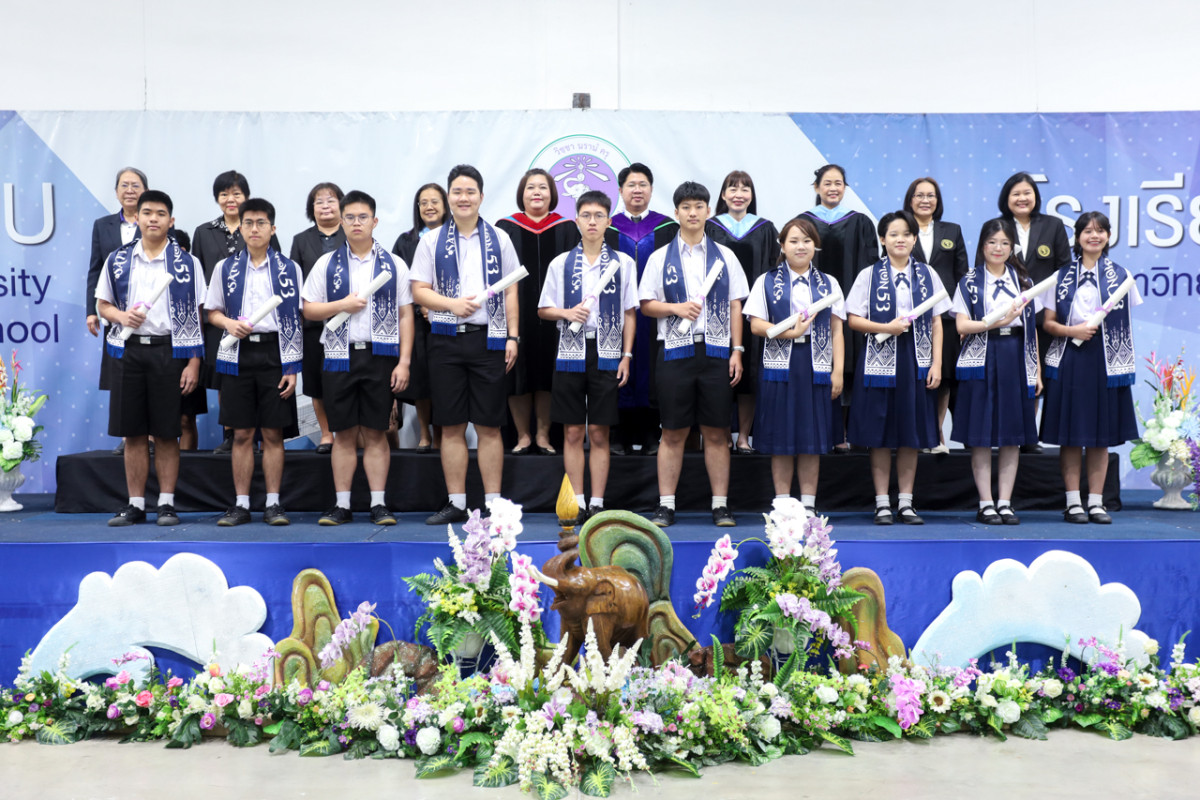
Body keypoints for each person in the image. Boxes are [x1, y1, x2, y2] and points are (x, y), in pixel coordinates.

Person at [411, 165, 521, 525]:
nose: (463, 198)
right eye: (457, 192)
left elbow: (511, 289)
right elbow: (419, 290)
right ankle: (456, 502)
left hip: (489, 339)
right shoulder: (431, 240)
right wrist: (452, 305)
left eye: (470, 191)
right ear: (449, 197)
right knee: (451, 425)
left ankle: (493, 503)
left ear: (481, 197)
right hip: (445, 341)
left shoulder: (500, 238)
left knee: (489, 426)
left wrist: (513, 336)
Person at [639, 181, 749, 527]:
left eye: (699, 206)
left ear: (708, 211)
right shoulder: (660, 257)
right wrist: (675, 308)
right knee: (673, 431)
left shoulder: (725, 256)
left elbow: (735, 305)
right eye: (686, 207)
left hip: (716, 352)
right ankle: (666, 505)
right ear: (676, 213)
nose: (692, 212)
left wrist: (737, 350)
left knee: (717, 431)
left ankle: (720, 505)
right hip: (674, 352)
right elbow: (646, 304)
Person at [301, 190, 414, 526]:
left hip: (380, 356)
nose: (356, 223)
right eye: (349, 217)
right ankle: (342, 505)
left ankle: (379, 504)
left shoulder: (394, 264)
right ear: (341, 221)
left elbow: (406, 315)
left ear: (374, 221)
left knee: (377, 433)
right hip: (339, 357)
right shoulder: (327, 264)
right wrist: (342, 305)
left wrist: (404, 362)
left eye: (362, 217)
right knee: (344, 434)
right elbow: (309, 309)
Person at [95, 190, 205, 526]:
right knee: (133, 433)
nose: (153, 219)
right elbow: (102, 304)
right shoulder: (118, 259)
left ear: (171, 221)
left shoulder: (188, 263)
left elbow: (198, 314)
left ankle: (167, 504)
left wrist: (194, 362)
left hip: (169, 352)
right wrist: (121, 316)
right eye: (147, 213)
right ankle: (136, 504)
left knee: (168, 432)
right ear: (136, 218)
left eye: (160, 213)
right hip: (129, 352)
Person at [845, 210, 952, 525]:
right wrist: (886, 327)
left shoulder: (928, 274)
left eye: (906, 234)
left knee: (909, 433)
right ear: (882, 239)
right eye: (893, 234)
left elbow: (937, 321)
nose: (900, 239)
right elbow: (853, 319)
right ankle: (881, 503)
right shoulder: (869, 275)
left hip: (916, 360)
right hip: (879, 360)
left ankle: (905, 503)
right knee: (879, 434)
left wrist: (937, 363)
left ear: (915, 239)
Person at [537, 190, 638, 521]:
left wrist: (626, 355)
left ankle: (597, 502)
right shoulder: (561, 263)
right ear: (576, 221)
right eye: (586, 215)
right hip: (570, 350)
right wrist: (567, 313)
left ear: (608, 222)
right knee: (572, 432)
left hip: (607, 351)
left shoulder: (623, 263)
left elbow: (630, 313)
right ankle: (576, 502)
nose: (592, 221)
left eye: (598, 216)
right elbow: (544, 309)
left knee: (598, 431)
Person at [206, 198, 304, 526]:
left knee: (273, 434)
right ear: (241, 228)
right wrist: (227, 323)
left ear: (272, 228)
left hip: (275, 354)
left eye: (261, 223)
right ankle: (241, 504)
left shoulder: (289, 269)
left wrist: (291, 368)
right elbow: (212, 311)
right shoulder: (225, 268)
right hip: (237, 353)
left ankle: (273, 504)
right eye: (248, 223)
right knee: (242, 433)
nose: (254, 229)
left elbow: (295, 320)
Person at [1040, 211, 1141, 524]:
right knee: (1071, 435)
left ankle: (1096, 503)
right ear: (1078, 237)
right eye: (1087, 231)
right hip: (1069, 357)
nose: (1094, 236)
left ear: (1108, 236)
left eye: (1100, 231)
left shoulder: (1121, 276)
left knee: (1100, 436)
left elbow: (1124, 320)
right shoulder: (1060, 276)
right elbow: (1048, 323)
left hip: (1106, 360)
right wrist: (1073, 331)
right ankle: (1073, 503)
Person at [744, 217, 844, 514]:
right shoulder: (766, 281)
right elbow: (756, 325)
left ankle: (809, 505)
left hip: (817, 365)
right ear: (782, 246)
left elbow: (837, 330)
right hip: (780, 367)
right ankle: (783, 504)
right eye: (794, 241)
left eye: (807, 241)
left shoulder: (829, 283)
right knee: (782, 437)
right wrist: (790, 332)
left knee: (812, 438)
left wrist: (838, 371)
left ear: (816, 246)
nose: (801, 246)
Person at [950, 218, 1042, 525]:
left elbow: (1032, 328)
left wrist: (1036, 370)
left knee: (1011, 436)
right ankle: (985, 503)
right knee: (981, 435)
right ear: (982, 246)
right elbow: (962, 326)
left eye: (1004, 243)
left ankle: (1005, 502)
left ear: (1012, 247)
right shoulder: (969, 281)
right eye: (992, 242)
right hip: (982, 357)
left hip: (1015, 356)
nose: (998, 248)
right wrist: (995, 323)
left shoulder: (1024, 282)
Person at [192, 170, 281, 454]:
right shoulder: (203, 232)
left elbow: (277, 268)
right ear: (217, 198)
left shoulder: (260, 227)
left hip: (258, 317)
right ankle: (232, 434)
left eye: (236, 193)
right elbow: (198, 276)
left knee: (262, 381)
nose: (230, 199)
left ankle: (259, 436)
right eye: (224, 194)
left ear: (246, 196)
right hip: (219, 316)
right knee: (224, 376)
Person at [985, 172, 1072, 454]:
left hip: (1042, 318)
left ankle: (1027, 434)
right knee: (1006, 376)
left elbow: (1065, 271)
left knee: (1035, 377)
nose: (1022, 198)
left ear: (1035, 196)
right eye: (1016, 194)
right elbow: (981, 269)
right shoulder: (996, 227)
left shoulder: (1053, 225)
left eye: (1027, 193)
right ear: (1006, 198)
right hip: (1005, 317)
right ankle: (1001, 432)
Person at [497, 169, 581, 456]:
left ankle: (543, 435)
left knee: (547, 372)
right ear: (521, 194)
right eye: (530, 187)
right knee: (516, 375)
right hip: (515, 312)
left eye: (542, 187)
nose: (536, 192)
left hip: (555, 313)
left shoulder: (567, 228)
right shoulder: (505, 228)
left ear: (552, 194)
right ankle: (522, 435)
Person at [795, 165, 878, 448]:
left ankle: (844, 432)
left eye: (838, 183)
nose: (833, 188)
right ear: (816, 187)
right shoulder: (803, 222)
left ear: (845, 187)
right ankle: (817, 430)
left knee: (848, 361)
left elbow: (870, 269)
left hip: (851, 304)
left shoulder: (861, 222)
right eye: (827, 183)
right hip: (811, 306)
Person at [706, 170, 781, 455]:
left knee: (750, 375)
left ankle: (744, 436)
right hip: (716, 310)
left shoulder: (765, 228)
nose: (739, 194)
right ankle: (724, 433)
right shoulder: (710, 227)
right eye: (733, 188)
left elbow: (774, 270)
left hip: (755, 311)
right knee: (720, 373)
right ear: (723, 195)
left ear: (752, 195)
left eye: (745, 189)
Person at [607, 163, 679, 456]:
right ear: (621, 190)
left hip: (653, 310)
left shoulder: (668, 228)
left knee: (652, 366)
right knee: (617, 364)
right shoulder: (607, 226)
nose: (637, 190)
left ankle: (651, 433)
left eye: (643, 185)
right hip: (615, 310)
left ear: (651, 189)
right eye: (631, 185)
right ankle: (617, 433)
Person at [86, 167, 148, 456]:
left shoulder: (155, 221)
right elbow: (95, 269)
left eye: (136, 185)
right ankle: (128, 437)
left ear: (145, 191)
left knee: (151, 377)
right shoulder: (102, 225)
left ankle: (150, 437)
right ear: (116, 192)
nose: (130, 190)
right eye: (125, 185)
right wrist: (92, 311)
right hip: (114, 315)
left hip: (148, 315)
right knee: (120, 377)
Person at [905, 177, 970, 454]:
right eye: (919, 195)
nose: (925, 200)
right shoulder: (902, 229)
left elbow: (963, 276)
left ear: (938, 201)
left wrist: (963, 316)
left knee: (943, 377)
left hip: (946, 317)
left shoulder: (952, 230)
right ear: (910, 200)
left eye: (930, 195)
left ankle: (937, 434)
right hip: (910, 316)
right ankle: (918, 433)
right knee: (916, 375)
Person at [289, 182, 346, 455]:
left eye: (331, 200)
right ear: (311, 209)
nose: (325, 206)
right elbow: (293, 284)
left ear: (342, 205)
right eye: (319, 201)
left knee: (346, 382)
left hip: (349, 323)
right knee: (315, 382)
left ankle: (347, 433)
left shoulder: (353, 233)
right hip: (312, 325)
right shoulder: (301, 240)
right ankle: (326, 434)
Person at [393, 183, 449, 454]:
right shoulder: (406, 241)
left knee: (444, 380)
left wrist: (438, 306)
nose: (429, 207)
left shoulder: (456, 239)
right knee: (422, 379)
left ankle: (442, 435)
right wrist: (422, 306)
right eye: (423, 202)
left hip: (449, 319)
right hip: (416, 321)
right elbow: (400, 281)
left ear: (445, 205)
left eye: (435, 201)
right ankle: (425, 434)